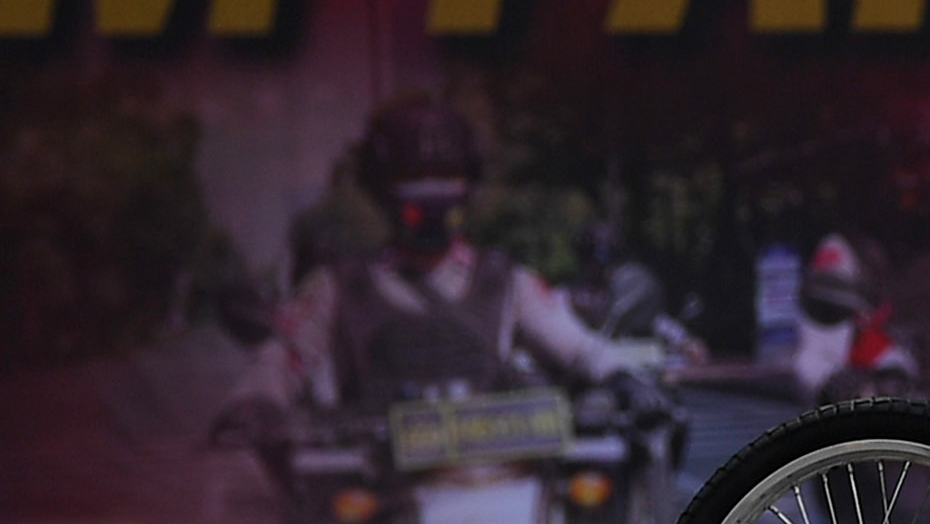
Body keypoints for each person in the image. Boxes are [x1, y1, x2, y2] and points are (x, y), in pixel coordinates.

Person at [221, 96, 670, 435]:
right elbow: (285, 357)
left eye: (445, 179)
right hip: (373, 494)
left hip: (499, 478)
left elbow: (576, 345)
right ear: (382, 191)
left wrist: (622, 377)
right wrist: (257, 401)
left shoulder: (507, 284)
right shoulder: (336, 288)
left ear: (468, 188)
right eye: (412, 180)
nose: (430, 198)